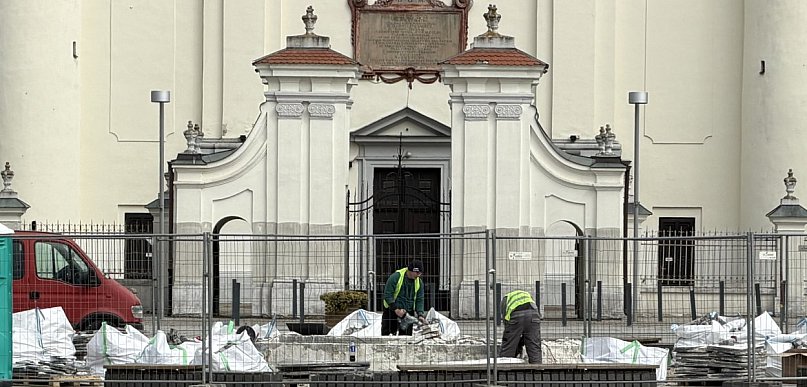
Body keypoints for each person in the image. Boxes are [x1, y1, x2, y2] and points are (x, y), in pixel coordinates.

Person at [382, 259, 426, 335]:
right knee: (388, 336)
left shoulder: (419, 282)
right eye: (417, 273)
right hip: (391, 311)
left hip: (408, 313)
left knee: (406, 339)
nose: (419, 275)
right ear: (411, 270)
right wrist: (396, 309)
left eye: (420, 273)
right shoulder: (396, 277)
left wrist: (420, 314)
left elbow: (420, 299)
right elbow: (388, 294)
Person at [499, 289, 542, 363]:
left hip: (516, 316)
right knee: (534, 346)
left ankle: (504, 369)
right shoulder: (527, 295)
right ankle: (537, 370)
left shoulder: (505, 299)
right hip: (534, 316)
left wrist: (511, 338)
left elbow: (506, 322)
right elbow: (528, 333)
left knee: (508, 345)